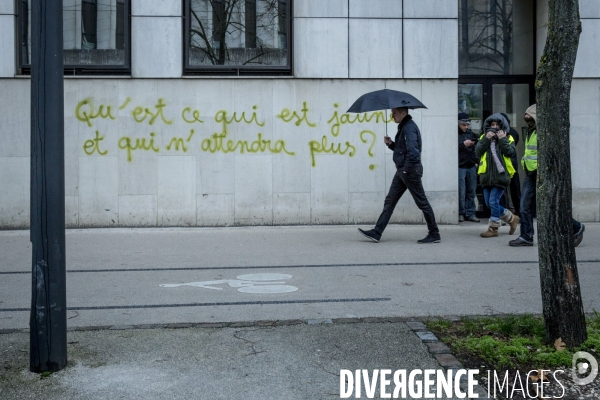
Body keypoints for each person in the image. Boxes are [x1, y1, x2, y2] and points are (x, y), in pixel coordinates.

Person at [358, 107, 441, 244]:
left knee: (422, 202)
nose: (392, 116)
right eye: (391, 114)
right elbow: (402, 150)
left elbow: (413, 152)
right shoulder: (404, 127)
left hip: (409, 171)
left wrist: (406, 170)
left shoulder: (409, 127)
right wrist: (390, 144)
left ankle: (434, 233)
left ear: (403, 113)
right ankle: (377, 232)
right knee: (390, 201)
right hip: (403, 171)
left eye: (394, 113)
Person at [509, 104, 585, 247]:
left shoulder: (545, 132)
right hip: (531, 174)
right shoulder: (531, 132)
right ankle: (526, 236)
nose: (527, 121)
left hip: (542, 174)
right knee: (524, 206)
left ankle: (575, 226)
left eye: (530, 118)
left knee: (550, 207)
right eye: (526, 118)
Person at [475, 113, 520, 238]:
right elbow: (478, 151)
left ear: (502, 126)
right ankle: (511, 218)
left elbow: (510, 152)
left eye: (497, 125)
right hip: (487, 176)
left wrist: (502, 140)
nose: (494, 127)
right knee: (490, 204)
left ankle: (493, 228)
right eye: (492, 125)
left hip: (501, 176)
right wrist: (485, 139)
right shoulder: (484, 137)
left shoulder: (508, 137)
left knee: (494, 201)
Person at [457, 112, 480, 223]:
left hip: (471, 165)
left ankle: (470, 213)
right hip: (460, 166)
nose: (466, 127)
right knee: (461, 192)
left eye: (467, 125)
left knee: (471, 191)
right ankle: (461, 213)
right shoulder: (455, 135)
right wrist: (463, 145)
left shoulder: (471, 134)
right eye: (463, 125)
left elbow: (477, 149)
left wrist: (476, 161)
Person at [500, 112, 522, 217]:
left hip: (507, 165)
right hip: (512, 165)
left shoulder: (509, 133)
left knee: (505, 192)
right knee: (515, 190)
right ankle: (518, 211)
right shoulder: (513, 132)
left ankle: (510, 211)